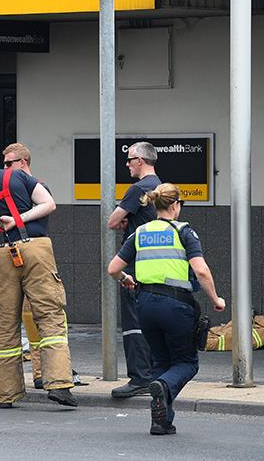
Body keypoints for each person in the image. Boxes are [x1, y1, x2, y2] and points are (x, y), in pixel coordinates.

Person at [0, 139, 76, 408]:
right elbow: (48, 204)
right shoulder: (19, 178)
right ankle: (59, 384)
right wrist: (19, 220)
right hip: (37, 249)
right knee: (50, 316)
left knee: (4, 324)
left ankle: (5, 394)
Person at [107, 183, 225, 435]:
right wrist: (216, 298)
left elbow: (113, 269)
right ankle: (162, 386)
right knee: (186, 362)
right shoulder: (184, 231)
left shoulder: (139, 233)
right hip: (176, 306)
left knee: (160, 361)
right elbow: (201, 270)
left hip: (145, 306)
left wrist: (126, 279)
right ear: (175, 205)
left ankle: (161, 422)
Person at [106, 142, 161, 398]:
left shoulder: (137, 188)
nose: (126, 164)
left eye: (129, 160)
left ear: (140, 160)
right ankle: (156, 373)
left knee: (134, 322)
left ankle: (140, 377)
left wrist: (125, 219)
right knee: (153, 320)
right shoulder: (160, 187)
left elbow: (112, 221)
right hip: (158, 264)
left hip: (137, 264)